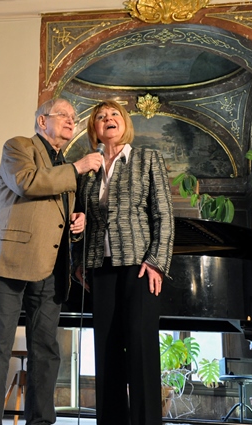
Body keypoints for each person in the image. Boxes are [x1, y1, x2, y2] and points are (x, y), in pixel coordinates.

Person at [0, 98, 103, 425]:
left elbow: (54, 216)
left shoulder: (65, 164)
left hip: (51, 268)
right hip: (9, 260)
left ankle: (42, 421)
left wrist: (77, 220)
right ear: (42, 121)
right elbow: (27, 182)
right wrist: (77, 169)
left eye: (74, 117)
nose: (71, 120)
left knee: (46, 351)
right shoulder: (18, 146)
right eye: (63, 115)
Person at [73, 100, 175, 425]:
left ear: (124, 122)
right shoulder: (87, 169)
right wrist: (78, 257)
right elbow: (79, 219)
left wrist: (157, 261)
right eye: (101, 116)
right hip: (99, 268)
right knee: (107, 351)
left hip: (139, 266)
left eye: (114, 114)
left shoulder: (147, 159)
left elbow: (163, 214)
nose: (108, 118)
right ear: (94, 128)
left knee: (141, 348)